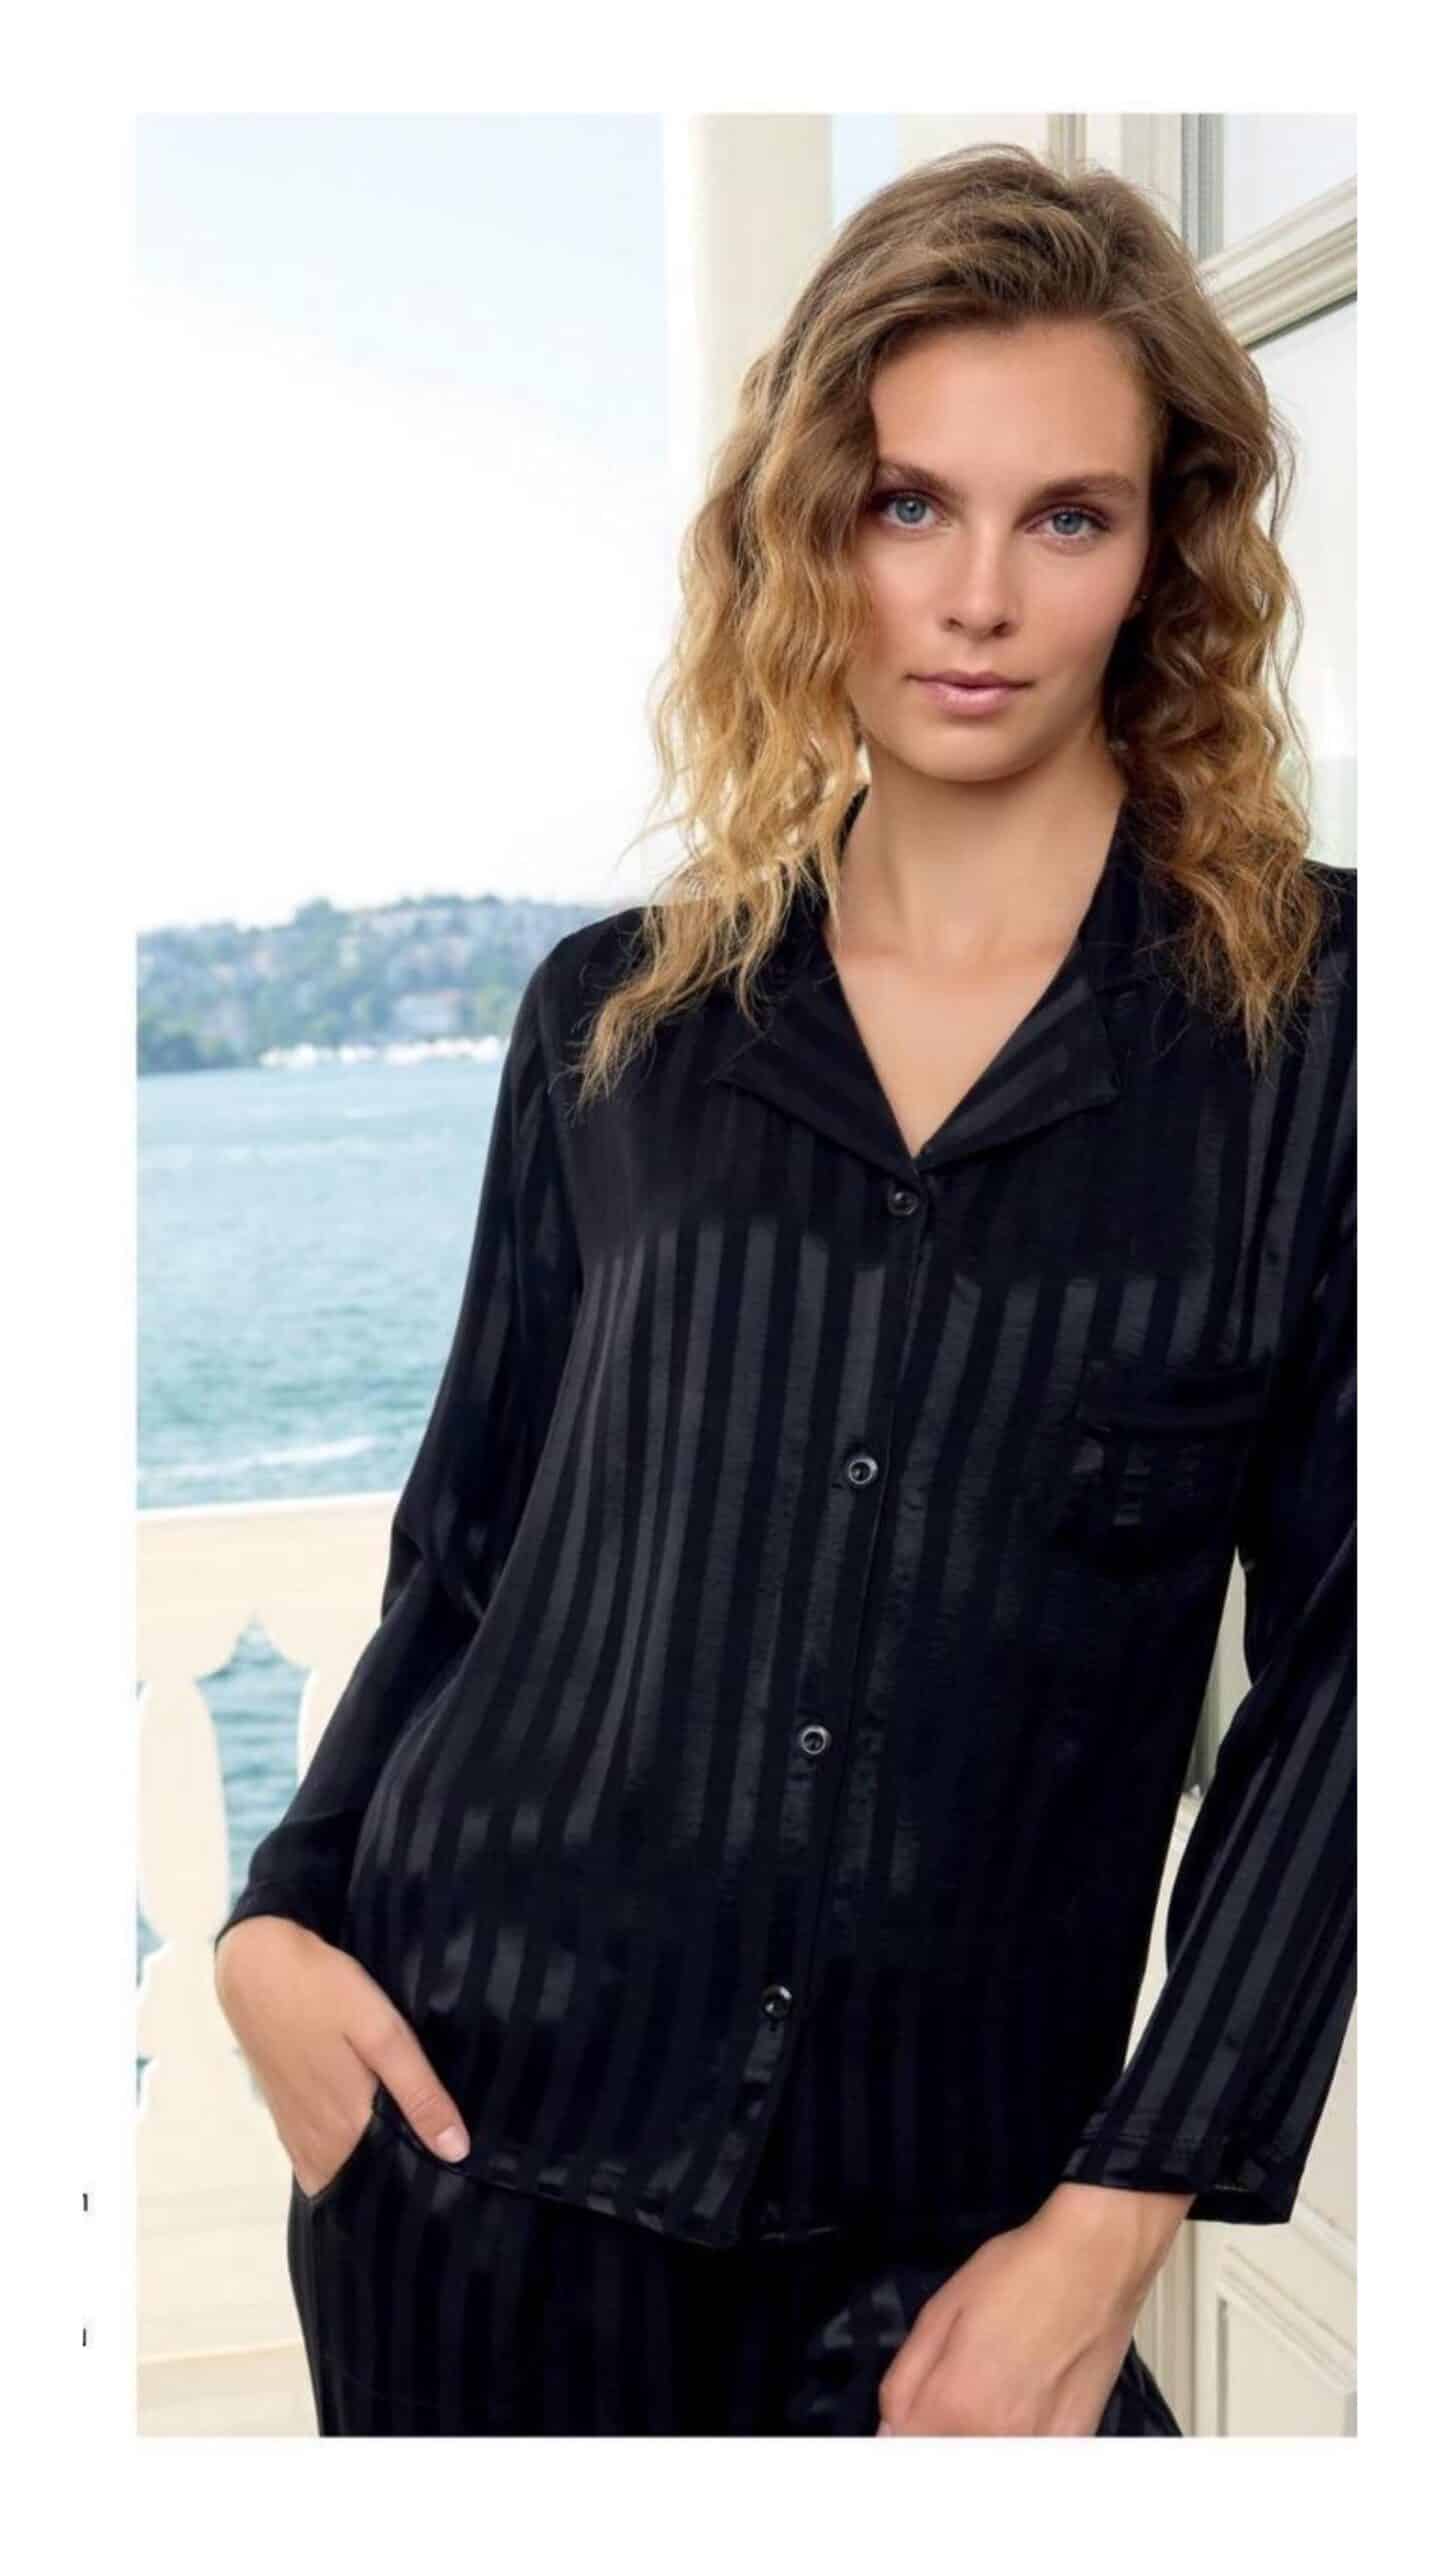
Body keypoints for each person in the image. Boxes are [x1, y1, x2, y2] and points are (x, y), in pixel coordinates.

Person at [212, 142, 1355, 2438]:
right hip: (469, 2173)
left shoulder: (1327, 1033)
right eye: (909, 503)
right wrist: (274, 1924)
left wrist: (1116, 2214)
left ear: (1167, 549)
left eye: (1066, 515)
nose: (977, 597)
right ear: (812, 524)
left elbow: (1364, 1670)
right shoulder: (614, 1018)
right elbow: (468, 1551)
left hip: (963, 2252)